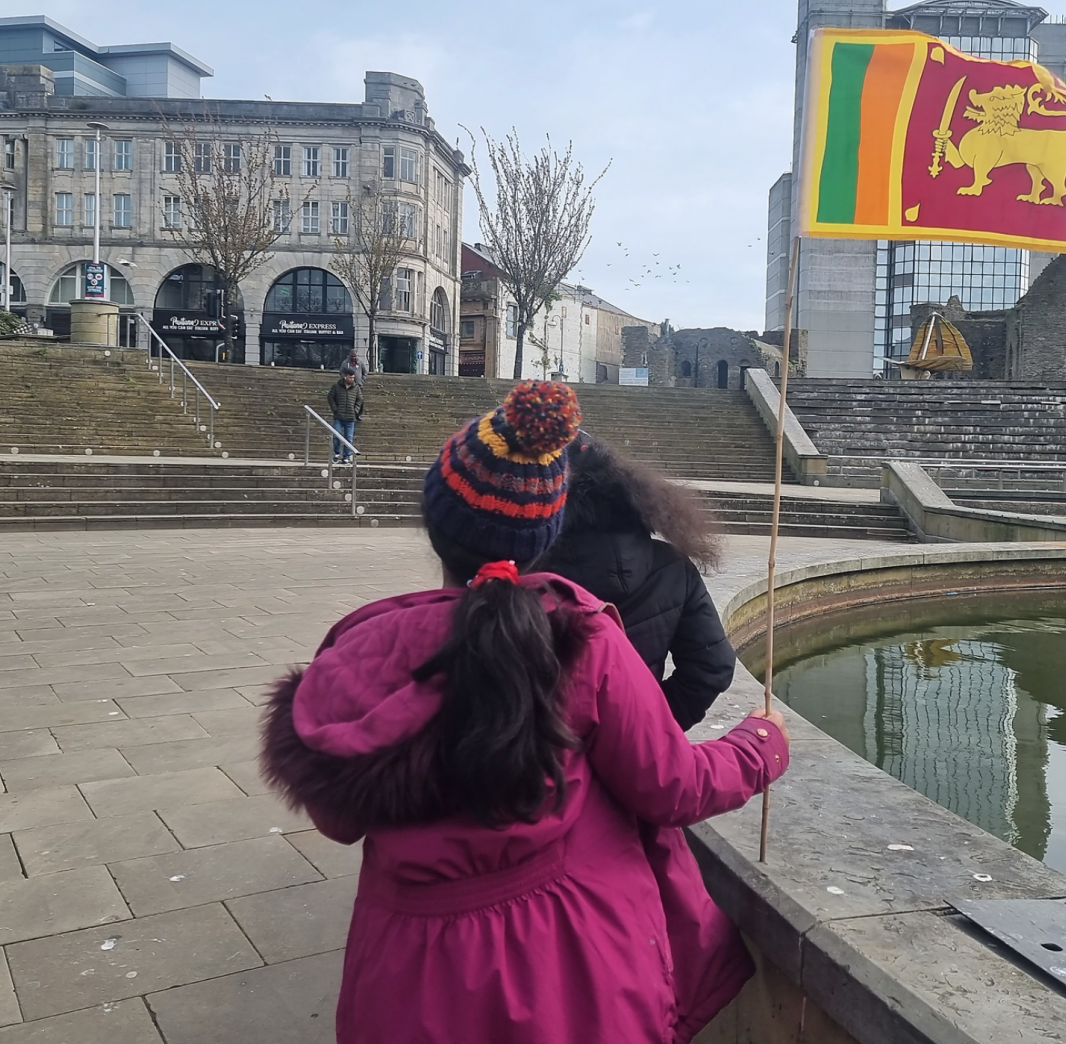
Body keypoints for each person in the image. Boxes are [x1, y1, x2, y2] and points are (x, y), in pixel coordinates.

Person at [261, 381, 789, 1044]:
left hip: (405, 980)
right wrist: (761, 744)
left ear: (435, 528)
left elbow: (338, 820)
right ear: (543, 533)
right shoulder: (584, 636)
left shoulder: (361, 647)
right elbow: (673, 783)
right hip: (567, 972)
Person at [537, 435, 736, 730]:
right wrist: (649, 729)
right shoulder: (673, 567)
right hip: (636, 754)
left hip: (546, 754)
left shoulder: (529, 569)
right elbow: (712, 665)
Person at [326, 366, 364, 463]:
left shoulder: (356, 388)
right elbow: (330, 397)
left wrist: (355, 410)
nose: (352, 379)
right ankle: (337, 453)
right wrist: (335, 409)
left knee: (349, 438)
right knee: (336, 435)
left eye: (353, 377)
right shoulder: (336, 386)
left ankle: (346, 456)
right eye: (350, 377)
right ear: (345, 377)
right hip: (339, 416)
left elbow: (360, 400)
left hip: (350, 417)